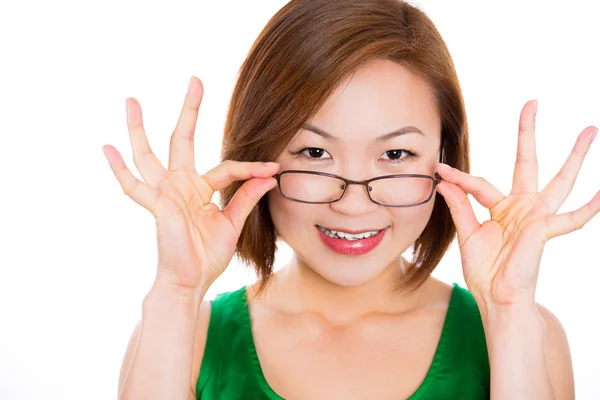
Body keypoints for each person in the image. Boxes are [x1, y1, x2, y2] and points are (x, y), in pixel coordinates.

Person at [103, 0, 597, 399]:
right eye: (316, 152)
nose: (354, 205)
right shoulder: (182, 334)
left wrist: (508, 314)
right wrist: (176, 290)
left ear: (444, 158)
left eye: (396, 153)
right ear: (259, 156)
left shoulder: (527, 332)